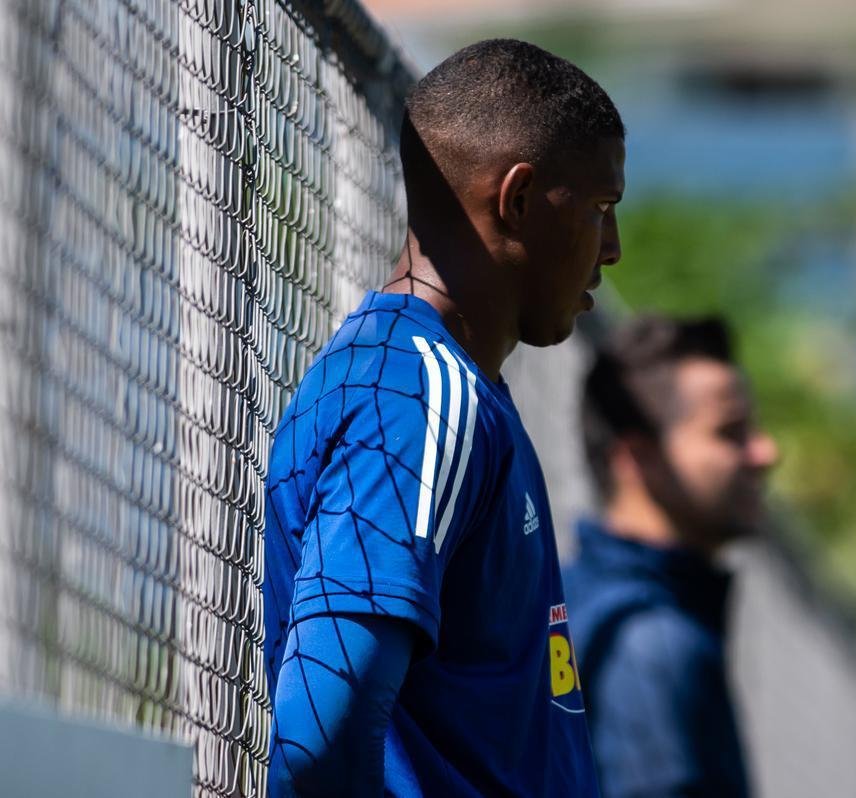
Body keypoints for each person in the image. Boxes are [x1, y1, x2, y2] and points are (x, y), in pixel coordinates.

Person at [262, 39, 624, 797]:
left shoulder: (456, 387)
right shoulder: (414, 395)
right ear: (517, 199)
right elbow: (315, 743)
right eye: (599, 209)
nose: (612, 249)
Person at [564, 316, 779, 798]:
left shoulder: (573, 599)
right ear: (638, 459)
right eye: (731, 433)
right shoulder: (648, 644)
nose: (766, 452)